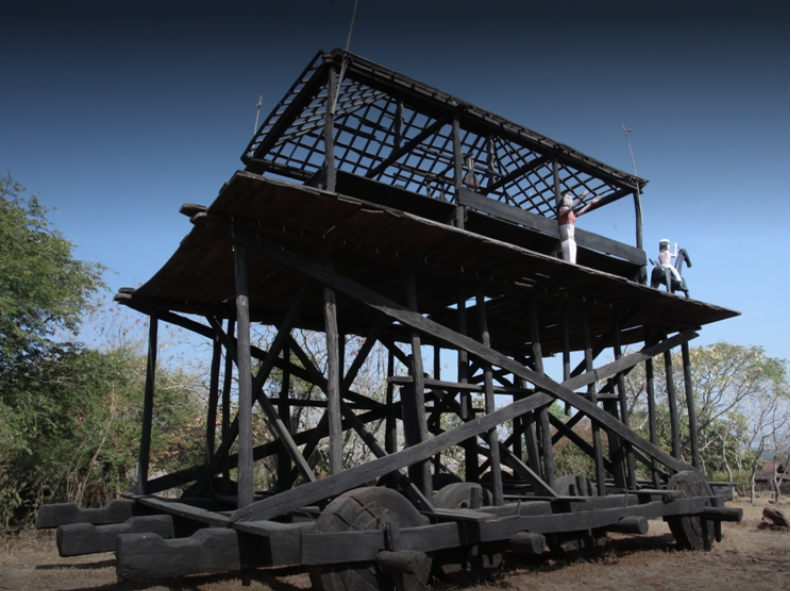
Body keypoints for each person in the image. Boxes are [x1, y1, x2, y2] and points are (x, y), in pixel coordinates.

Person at [558, 190, 600, 263]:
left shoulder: (571, 213)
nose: (570, 201)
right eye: (568, 198)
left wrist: (591, 203)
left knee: (572, 261)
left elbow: (581, 212)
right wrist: (582, 197)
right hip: (566, 239)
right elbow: (572, 208)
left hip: (572, 240)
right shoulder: (563, 209)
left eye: (571, 199)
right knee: (569, 261)